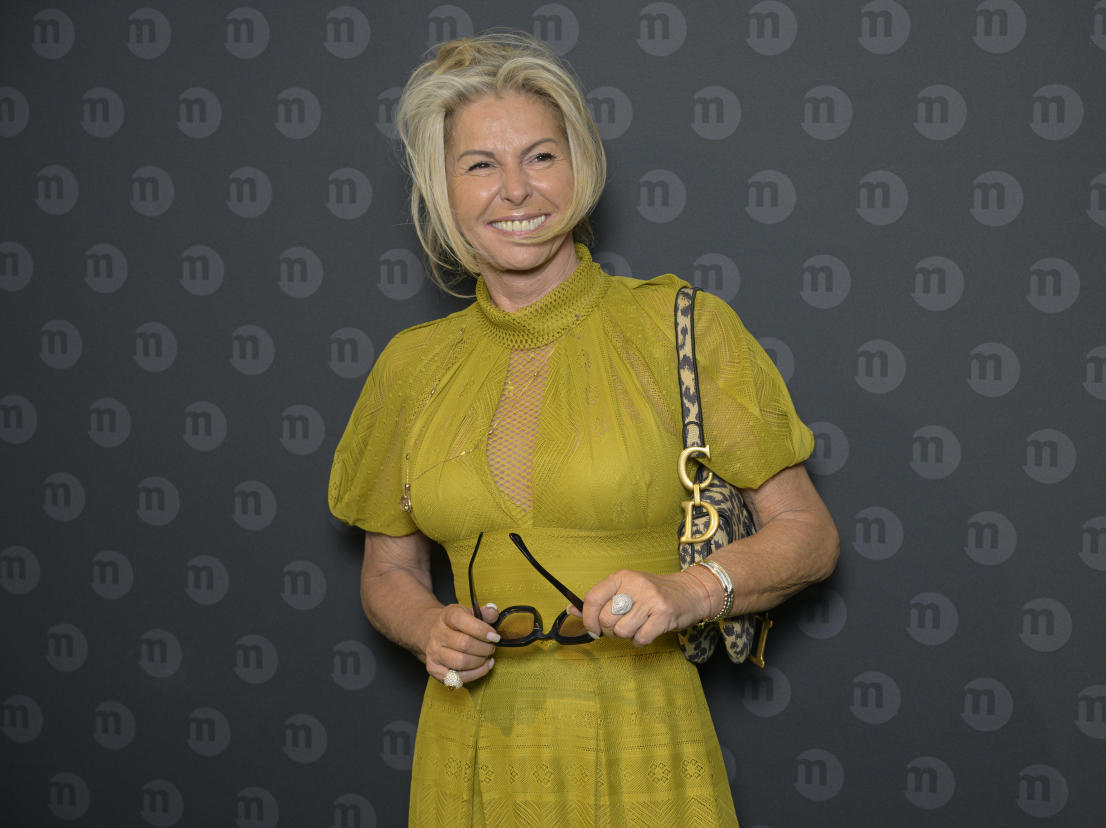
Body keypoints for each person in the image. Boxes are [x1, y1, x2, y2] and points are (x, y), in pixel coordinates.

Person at [328, 30, 839, 827]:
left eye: (540, 156)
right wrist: (428, 626)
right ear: (441, 190)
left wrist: (688, 591)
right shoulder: (411, 365)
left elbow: (809, 534)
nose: (516, 191)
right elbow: (387, 571)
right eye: (479, 166)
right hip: (468, 748)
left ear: (580, 167)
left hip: (641, 732)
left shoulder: (682, 327)